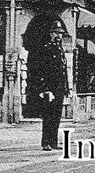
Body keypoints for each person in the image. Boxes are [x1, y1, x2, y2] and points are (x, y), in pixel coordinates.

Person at [26, 21, 69, 151]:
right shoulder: (45, 49)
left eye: (61, 34)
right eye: (57, 33)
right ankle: (45, 142)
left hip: (59, 88)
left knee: (56, 116)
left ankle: (53, 141)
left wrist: (66, 88)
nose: (59, 36)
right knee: (48, 116)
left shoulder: (60, 50)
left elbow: (63, 71)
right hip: (50, 89)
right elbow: (41, 71)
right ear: (51, 34)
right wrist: (45, 89)